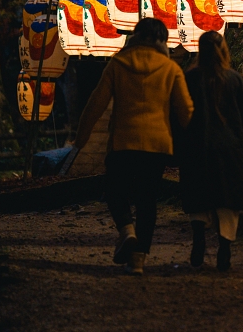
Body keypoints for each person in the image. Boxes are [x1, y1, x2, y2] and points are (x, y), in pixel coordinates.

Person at [74, 18, 193, 275]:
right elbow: (186, 112)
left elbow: (95, 104)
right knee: (147, 200)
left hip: (122, 143)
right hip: (157, 144)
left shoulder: (117, 65)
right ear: (163, 41)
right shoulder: (171, 69)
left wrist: (80, 140)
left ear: (136, 37)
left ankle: (127, 230)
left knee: (115, 191)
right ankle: (137, 261)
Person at [180, 31, 243, 271]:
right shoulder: (234, 80)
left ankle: (198, 239)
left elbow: (177, 114)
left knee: (199, 198)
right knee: (228, 202)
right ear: (224, 50)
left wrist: (176, 148)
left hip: (197, 148)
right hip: (230, 150)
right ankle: (224, 249)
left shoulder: (189, 78)